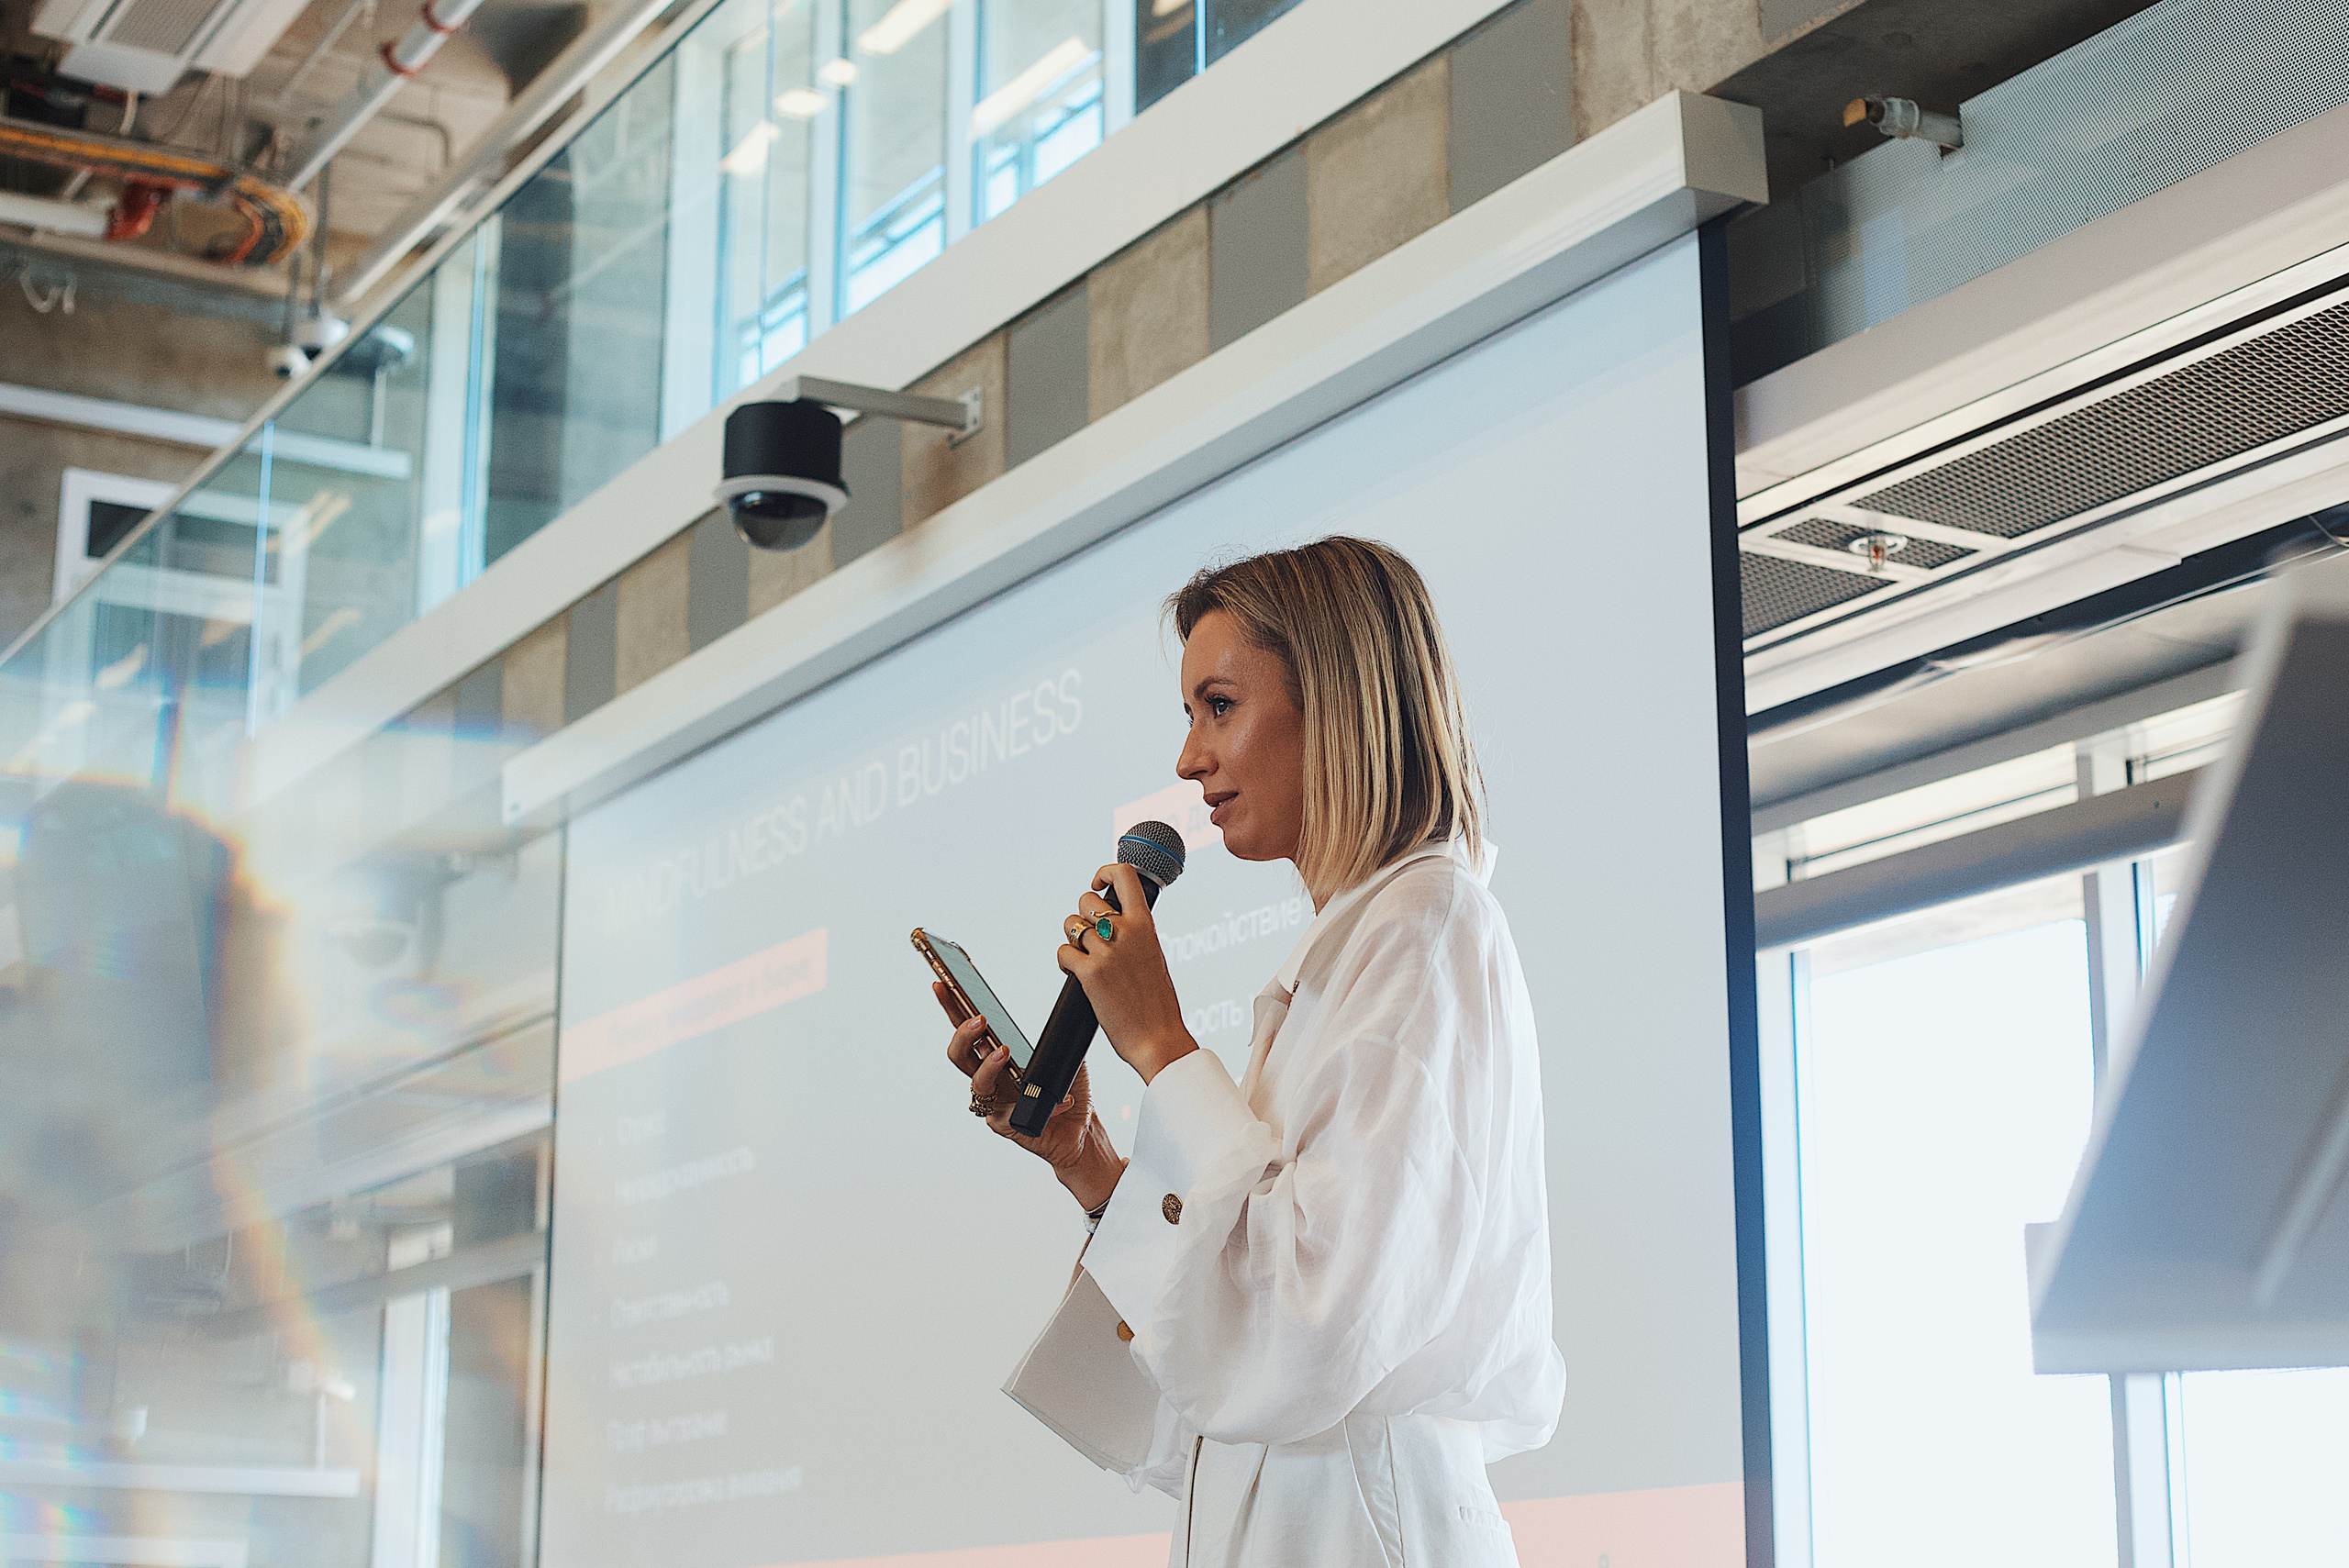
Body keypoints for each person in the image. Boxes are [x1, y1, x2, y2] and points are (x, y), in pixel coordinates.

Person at [938, 537, 1564, 1567]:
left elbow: (1315, 1315)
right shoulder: (1355, 948)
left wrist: (1161, 1042)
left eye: (1218, 706)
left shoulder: (1429, 925)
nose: (1188, 758)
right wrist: (1089, 1160)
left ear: (1338, 699)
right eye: (1189, 716)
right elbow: (1221, 1344)